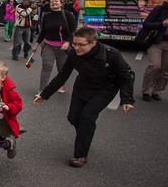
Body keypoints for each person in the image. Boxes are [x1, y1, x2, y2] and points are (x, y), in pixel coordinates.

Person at [33, 27, 135, 167]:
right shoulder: (74, 54)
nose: (76, 47)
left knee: (87, 117)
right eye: (75, 44)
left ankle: (80, 155)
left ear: (93, 43)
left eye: (81, 45)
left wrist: (127, 99)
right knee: (73, 117)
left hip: (105, 88)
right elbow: (63, 75)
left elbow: (125, 78)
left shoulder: (112, 55)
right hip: (83, 85)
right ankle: (85, 133)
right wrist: (44, 95)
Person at [31, 0, 76, 93]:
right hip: (48, 46)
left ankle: (61, 85)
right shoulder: (47, 16)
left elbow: (72, 31)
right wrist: (36, 44)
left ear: (61, 3)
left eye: (56, 1)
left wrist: (67, 42)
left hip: (63, 47)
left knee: (62, 68)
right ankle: (42, 89)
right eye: (52, 2)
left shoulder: (68, 15)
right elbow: (43, 32)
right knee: (46, 66)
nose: (54, 3)